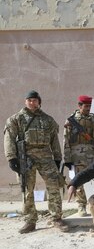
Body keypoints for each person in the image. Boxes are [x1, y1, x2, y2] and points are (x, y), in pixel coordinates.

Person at [4, 90, 69, 234]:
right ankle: (30, 220)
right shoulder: (16, 119)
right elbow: (9, 137)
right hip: (25, 157)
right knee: (27, 189)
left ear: (39, 102)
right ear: (25, 102)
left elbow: (54, 140)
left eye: (35, 100)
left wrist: (57, 157)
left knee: (54, 185)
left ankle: (56, 218)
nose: (32, 102)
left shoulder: (48, 120)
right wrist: (11, 158)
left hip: (46, 156)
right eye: (29, 100)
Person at [63, 95, 94, 216]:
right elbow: (65, 140)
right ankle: (81, 205)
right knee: (79, 181)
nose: (88, 108)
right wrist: (67, 158)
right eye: (86, 106)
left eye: (89, 106)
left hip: (93, 155)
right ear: (79, 106)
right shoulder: (71, 121)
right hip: (77, 156)